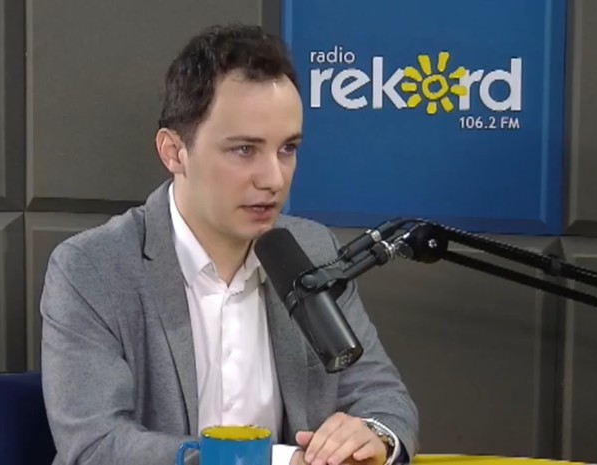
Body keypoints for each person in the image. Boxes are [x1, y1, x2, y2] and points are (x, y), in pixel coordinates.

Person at [40, 23, 419, 465]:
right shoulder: (92, 269)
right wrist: (275, 461)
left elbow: (382, 397)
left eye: (287, 149)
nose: (273, 179)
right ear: (173, 152)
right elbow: (95, 446)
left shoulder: (313, 251)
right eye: (244, 150)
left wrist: (373, 436)